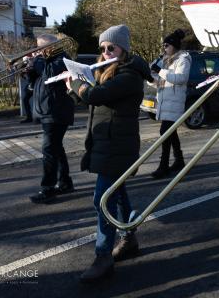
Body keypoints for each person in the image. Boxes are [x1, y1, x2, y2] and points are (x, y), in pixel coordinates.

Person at [66, 24, 154, 283]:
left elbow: (95, 95)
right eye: (102, 48)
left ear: (122, 49)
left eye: (111, 47)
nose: (105, 52)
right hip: (107, 143)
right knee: (118, 195)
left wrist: (78, 87)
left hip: (118, 145)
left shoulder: (128, 75)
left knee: (102, 200)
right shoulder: (107, 71)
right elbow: (92, 98)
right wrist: (73, 89)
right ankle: (129, 238)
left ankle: (103, 256)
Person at [28, 34, 75, 204]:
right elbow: (35, 81)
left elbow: (48, 74)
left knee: (49, 150)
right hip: (47, 110)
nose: (38, 52)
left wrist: (38, 61)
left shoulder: (62, 59)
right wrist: (29, 68)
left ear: (48, 48)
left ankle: (48, 187)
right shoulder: (46, 61)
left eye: (40, 49)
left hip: (56, 112)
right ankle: (65, 182)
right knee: (56, 149)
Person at [150, 29, 191, 179]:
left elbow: (180, 78)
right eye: (163, 45)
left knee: (165, 132)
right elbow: (162, 81)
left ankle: (164, 166)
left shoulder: (183, 59)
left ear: (174, 46)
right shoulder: (167, 60)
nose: (164, 48)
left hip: (174, 102)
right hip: (165, 101)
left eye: (166, 45)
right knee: (170, 132)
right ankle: (179, 160)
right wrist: (150, 78)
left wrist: (160, 71)